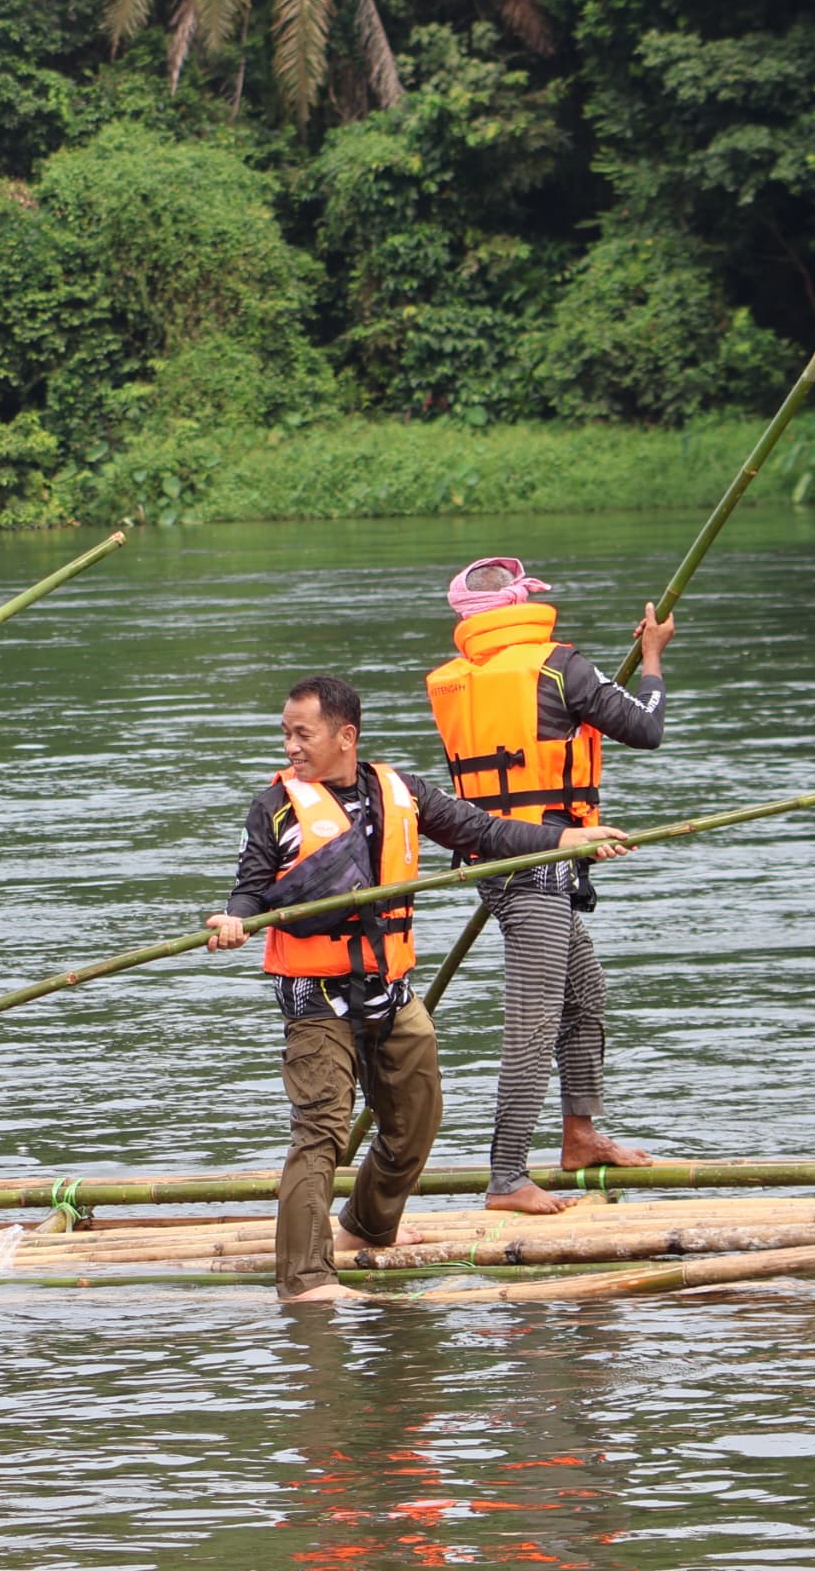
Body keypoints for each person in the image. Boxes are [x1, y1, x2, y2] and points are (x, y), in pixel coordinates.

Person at [205, 675, 627, 1301]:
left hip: (389, 990)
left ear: (346, 736)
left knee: (416, 1118)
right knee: (320, 1133)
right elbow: (249, 886)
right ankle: (304, 1282)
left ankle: (366, 1230)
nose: (291, 746)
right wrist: (233, 919)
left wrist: (566, 838)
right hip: (315, 998)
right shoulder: (274, 809)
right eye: (285, 734)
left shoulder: (400, 791)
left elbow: (484, 832)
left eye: (303, 734)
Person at [426, 556, 674, 1215]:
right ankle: (507, 1177)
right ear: (522, 604)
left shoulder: (452, 680)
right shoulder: (560, 667)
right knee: (534, 1023)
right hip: (538, 864)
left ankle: (580, 1135)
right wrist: (651, 660)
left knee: (585, 994)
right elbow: (645, 728)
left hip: (495, 862)